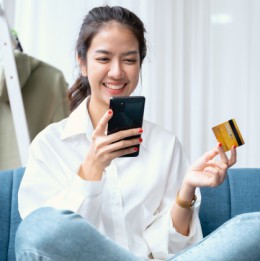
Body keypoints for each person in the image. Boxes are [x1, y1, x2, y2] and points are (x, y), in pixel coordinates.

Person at [15, 5, 260, 261]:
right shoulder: (50, 145)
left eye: (129, 60)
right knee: (38, 226)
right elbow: (43, 240)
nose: (117, 72)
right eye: (103, 59)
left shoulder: (165, 146)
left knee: (254, 228)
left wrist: (186, 189)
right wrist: (91, 168)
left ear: (140, 64)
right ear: (82, 63)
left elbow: (177, 252)